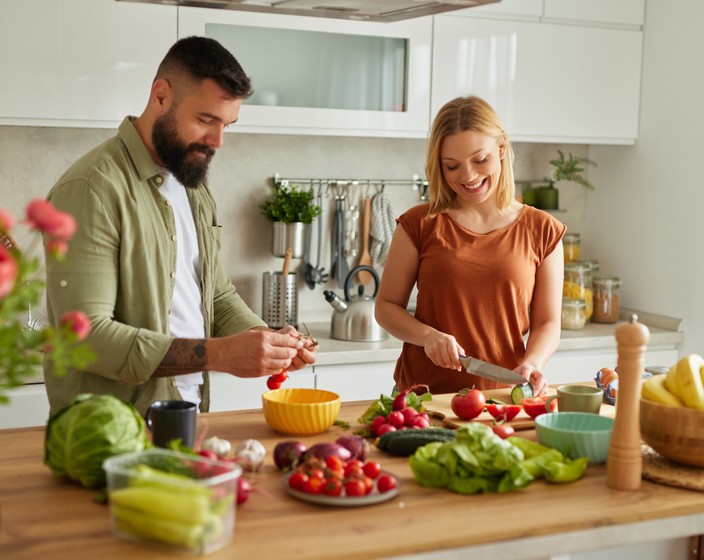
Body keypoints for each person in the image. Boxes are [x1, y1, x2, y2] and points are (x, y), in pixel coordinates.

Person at [43, 36, 317, 416]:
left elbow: (216, 296)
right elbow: (86, 337)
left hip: (187, 414)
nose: (217, 141)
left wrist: (265, 340)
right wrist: (219, 354)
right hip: (107, 429)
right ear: (161, 96)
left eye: (227, 125)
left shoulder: (193, 184)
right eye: (205, 120)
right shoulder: (91, 188)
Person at [375, 95, 565, 398]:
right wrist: (426, 336)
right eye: (452, 166)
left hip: (502, 397)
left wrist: (533, 362)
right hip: (422, 399)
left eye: (480, 160)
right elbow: (386, 308)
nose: (468, 176)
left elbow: (548, 321)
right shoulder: (419, 224)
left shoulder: (542, 230)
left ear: (501, 148)